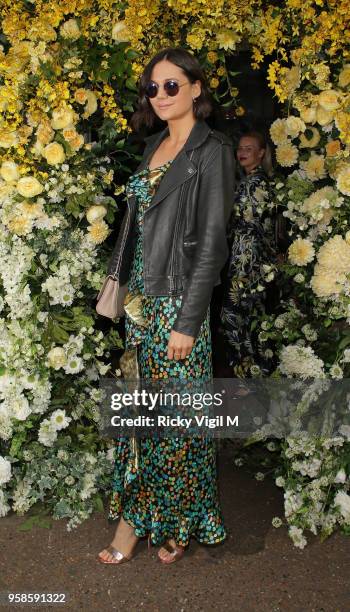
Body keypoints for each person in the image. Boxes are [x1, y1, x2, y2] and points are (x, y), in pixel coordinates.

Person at [97, 47, 235, 565]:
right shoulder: (153, 145)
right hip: (140, 304)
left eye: (171, 86)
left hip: (180, 303)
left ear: (196, 89)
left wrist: (188, 320)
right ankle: (135, 521)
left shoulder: (211, 151)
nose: (159, 96)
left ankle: (177, 521)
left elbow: (212, 241)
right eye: (152, 88)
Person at [220, 131, 277, 378]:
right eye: (240, 148)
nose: (242, 152)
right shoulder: (252, 181)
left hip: (249, 258)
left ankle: (249, 373)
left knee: (232, 315)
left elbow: (247, 223)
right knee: (249, 316)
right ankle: (255, 372)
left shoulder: (255, 182)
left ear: (262, 153)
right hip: (249, 256)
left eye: (249, 149)